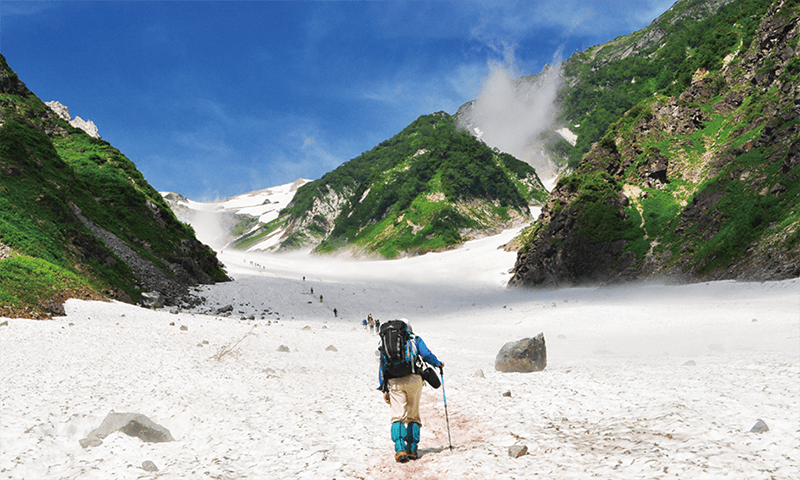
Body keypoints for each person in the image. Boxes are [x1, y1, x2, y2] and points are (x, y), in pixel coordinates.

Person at [377, 319, 443, 463]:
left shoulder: (385, 343)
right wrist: (438, 363)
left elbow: (382, 365)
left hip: (394, 381)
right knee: (413, 415)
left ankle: (400, 449)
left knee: (397, 415)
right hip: (414, 380)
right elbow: (426, 355)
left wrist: (384, 388)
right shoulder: (415, 339)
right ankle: (412, 449)